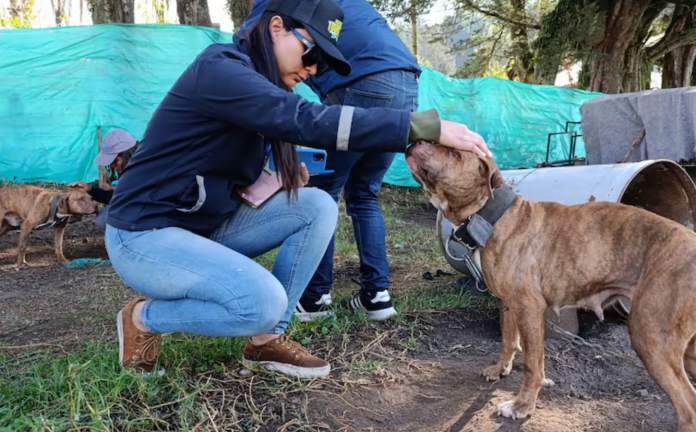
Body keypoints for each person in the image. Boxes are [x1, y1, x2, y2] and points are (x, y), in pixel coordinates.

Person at [105, 0, 489, 379]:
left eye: (322, 63)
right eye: (311, 52)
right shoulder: (220, 68)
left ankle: (265, 339)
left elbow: (216, 167)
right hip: (144, 235)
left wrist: (266, 181)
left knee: (317, 205)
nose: (313, 70)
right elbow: (307, 119)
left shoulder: (264, 89)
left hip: (200, 228)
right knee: (261, 302)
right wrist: (420, 126)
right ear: (276, 28)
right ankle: (143, 318)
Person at [239, 0, 421, 322]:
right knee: (364, 193)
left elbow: (246, 44)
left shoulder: (275, 6)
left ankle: (315, 298)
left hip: (362, 81)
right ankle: (376, 297)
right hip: (406, 85)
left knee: (321, 191)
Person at [68, 129, 138, 229]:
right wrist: (90, 190)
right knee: (102, 218)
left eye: (115, 161)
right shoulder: (125, 167)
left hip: (154, 210)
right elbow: (116, 198)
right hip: (135, 207)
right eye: (111, 163)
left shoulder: (150, 168)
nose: (113, 166)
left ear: (127, 154)